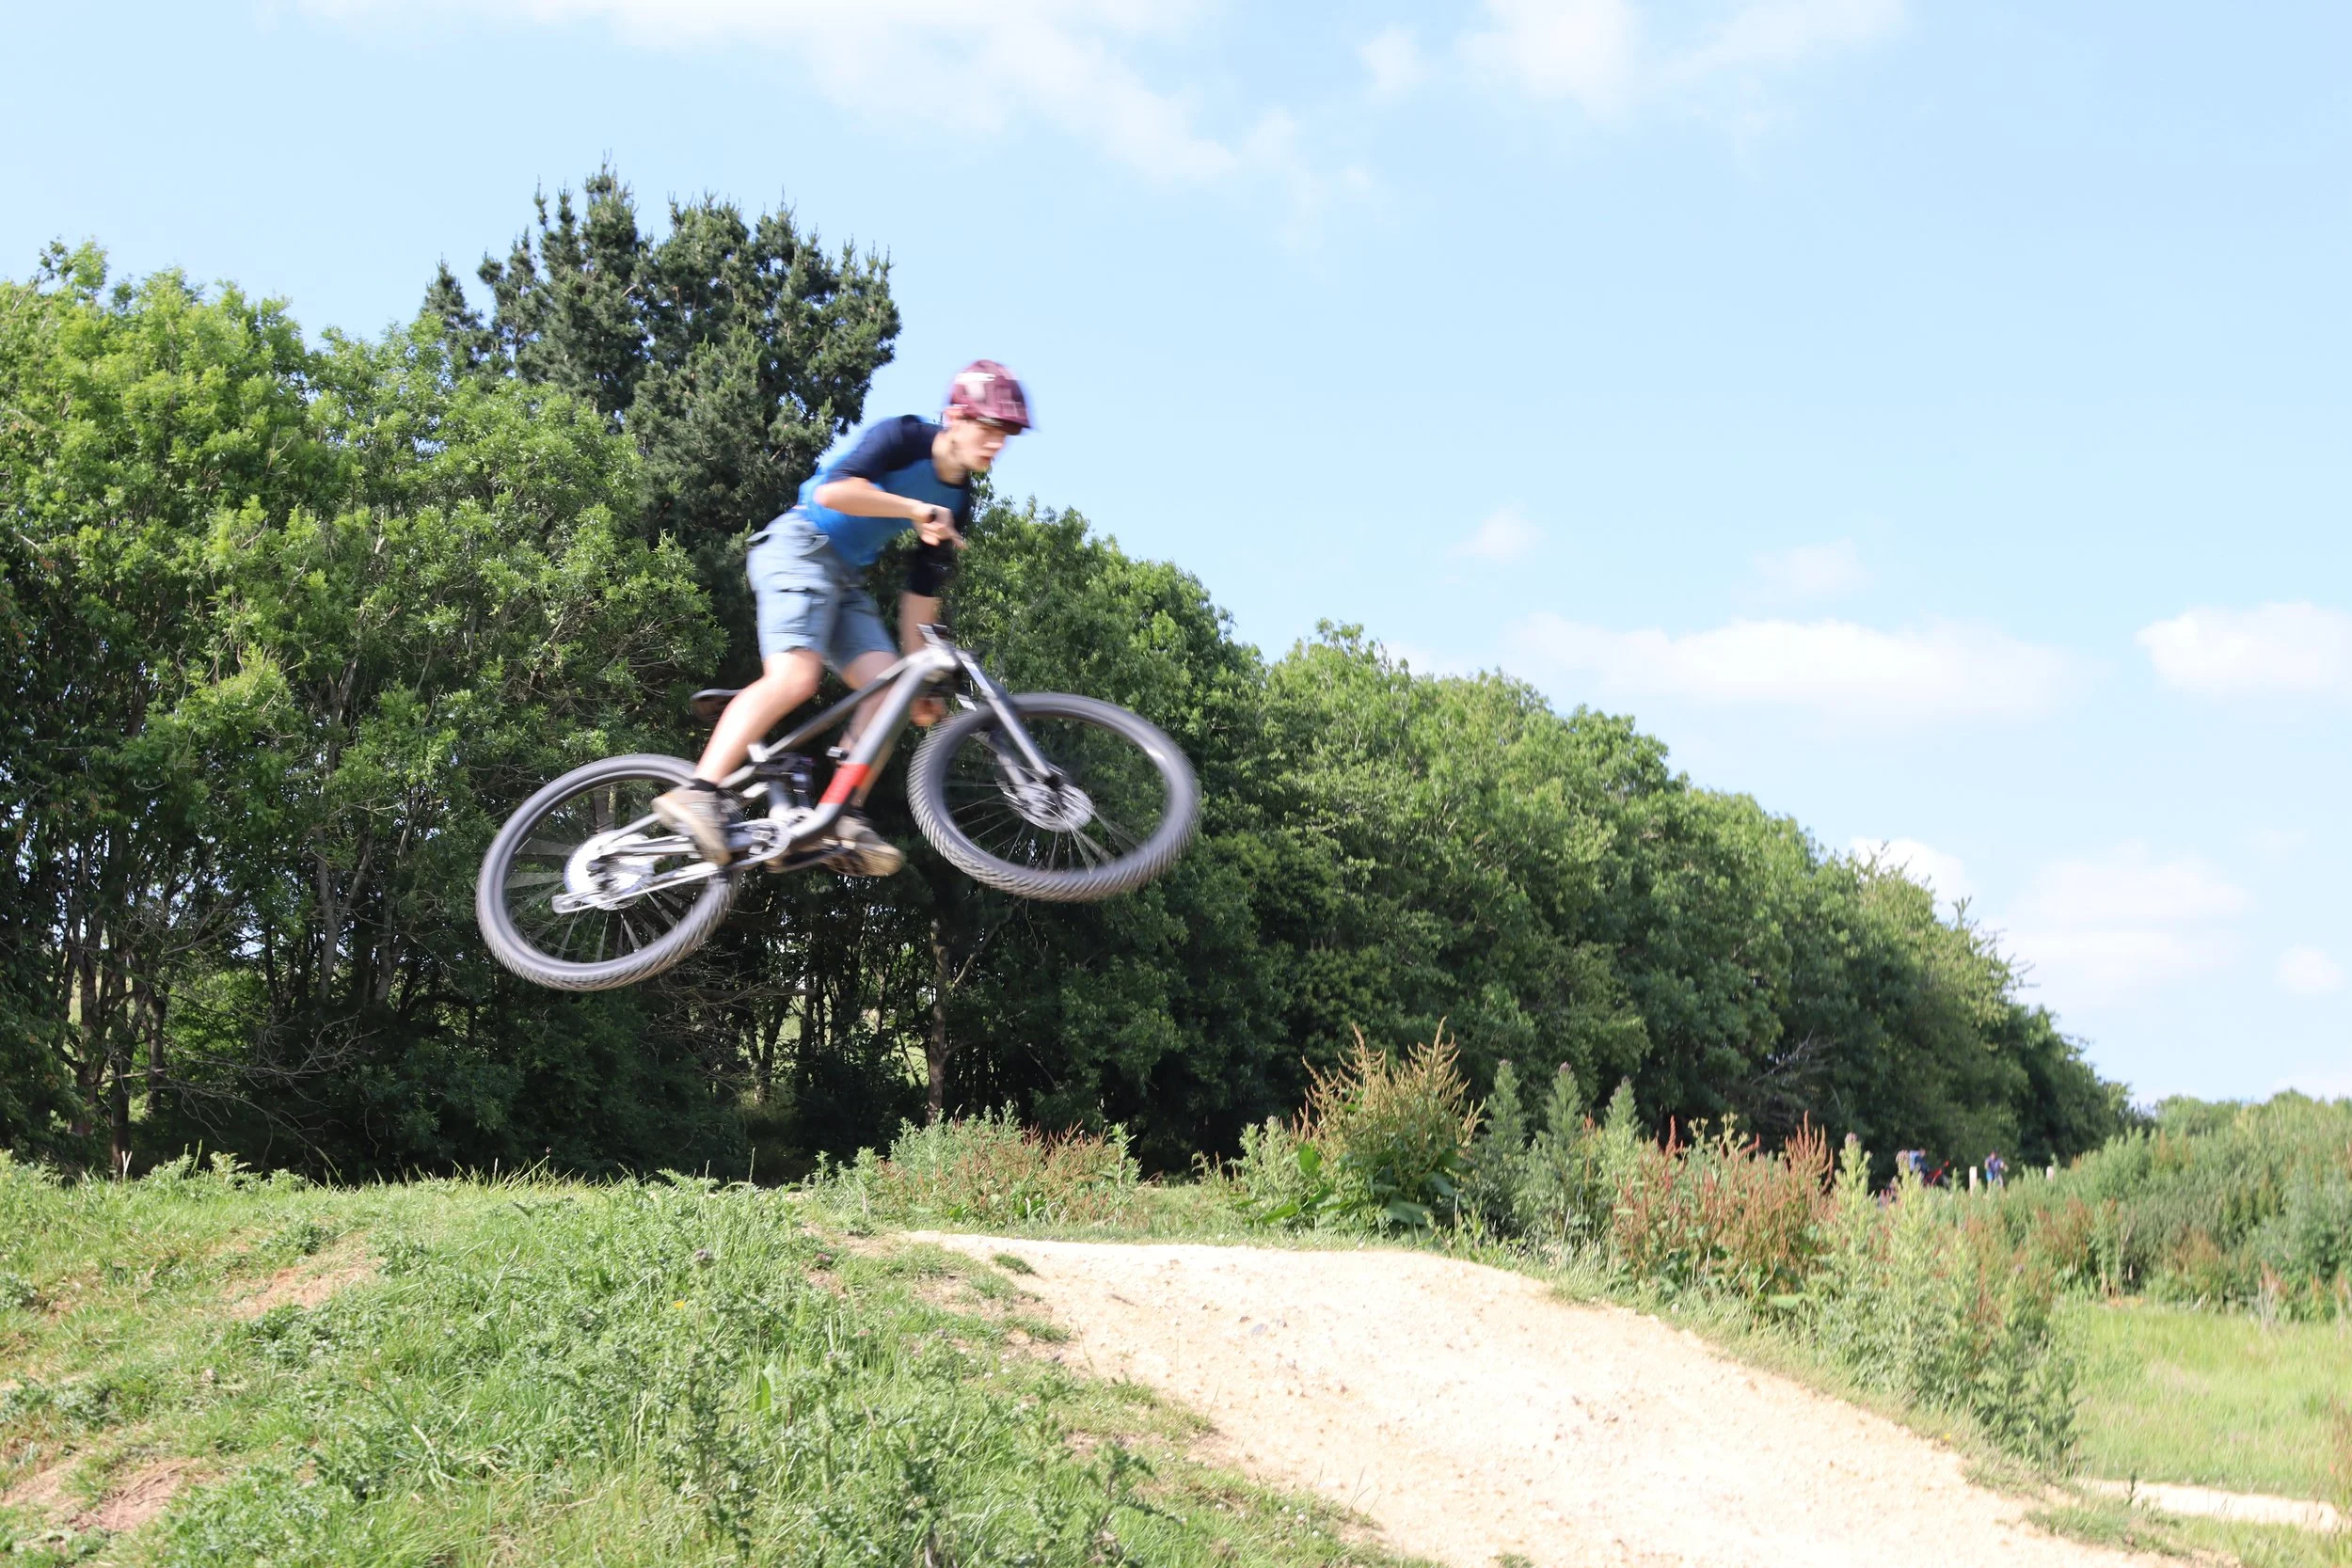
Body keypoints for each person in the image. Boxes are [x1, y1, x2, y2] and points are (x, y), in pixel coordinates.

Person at [653, 360, 1033, 872]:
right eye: (988, 427)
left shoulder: (959, 501)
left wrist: (920, 680)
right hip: (798, 545)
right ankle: (699, 790)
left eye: (1006, 433)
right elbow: (834, 491)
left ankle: (836, 818)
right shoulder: (904, 437)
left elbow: (919, 599)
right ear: (954, 418)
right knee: (796, 677)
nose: (997, 443)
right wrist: (916, 511)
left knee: (889, 690)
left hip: (847, 579)